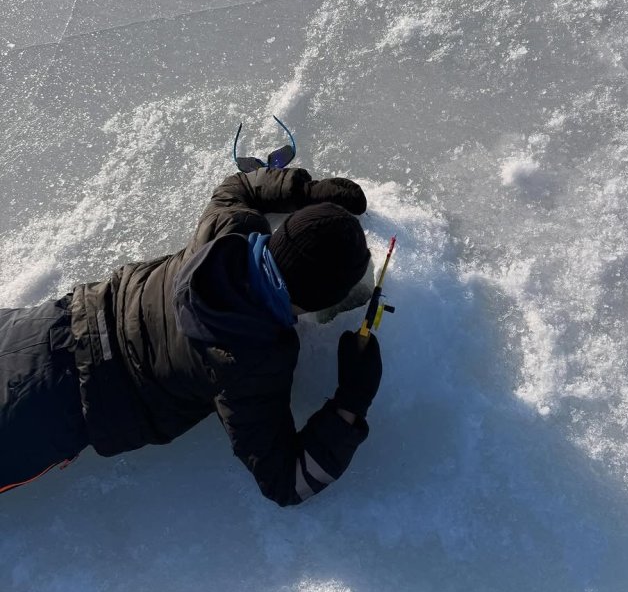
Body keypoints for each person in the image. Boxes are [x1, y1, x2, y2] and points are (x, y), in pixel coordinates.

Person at [0, 166, 383, 505]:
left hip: (52, 323)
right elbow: (285, 480)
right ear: (323, 299)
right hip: (49, 410)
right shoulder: (249, 365)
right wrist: (351, 401)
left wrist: (307, 190)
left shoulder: (226, 229)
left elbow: (240, 185)